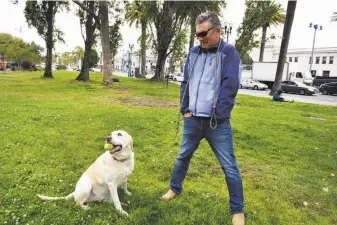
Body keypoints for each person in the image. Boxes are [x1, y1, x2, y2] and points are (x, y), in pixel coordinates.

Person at [161, 12, 245, 225]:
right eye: (197, 34)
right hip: (192, 120)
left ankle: (238, 211)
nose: (199, 37)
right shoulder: (193, 52)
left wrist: (218, 115)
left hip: (217, 123)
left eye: (203, 33)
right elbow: (185, 82)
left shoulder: (229, 53)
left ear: (217, 31)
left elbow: (230, 86)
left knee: (229, 166)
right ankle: (174, 189)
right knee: (182, 157)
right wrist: (185, 110)